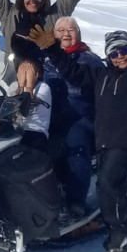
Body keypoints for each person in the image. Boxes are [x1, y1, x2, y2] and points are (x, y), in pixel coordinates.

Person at [39, 0, 127, 252]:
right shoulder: (102, 75)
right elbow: (70, 71)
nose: (119, 56)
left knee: (107, 183)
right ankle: (120, 230)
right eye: (114, 53)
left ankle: (115, 223)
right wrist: (51, 49)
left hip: (125, 139)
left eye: (123, 51)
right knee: (107, 187)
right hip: (105, 138)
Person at [46, 15, 101, 215]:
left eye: (71, 30)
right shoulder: (46, 59)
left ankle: (76, 200)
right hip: (49, 117)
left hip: (80, 118)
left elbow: (80, 77)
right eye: (61, 31)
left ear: (78, 34)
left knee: (75, 145)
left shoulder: (89, 60)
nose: (66, 34)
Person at [2, 52, 54, 151]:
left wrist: (29, 86)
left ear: (37, 74)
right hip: (15, 131)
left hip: (35, 131)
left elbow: (25, 107)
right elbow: (10, 108)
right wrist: (20, 85)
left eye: (28, 71)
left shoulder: (43, 87)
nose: (25, 74)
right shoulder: (14, 86)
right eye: (22, 71)